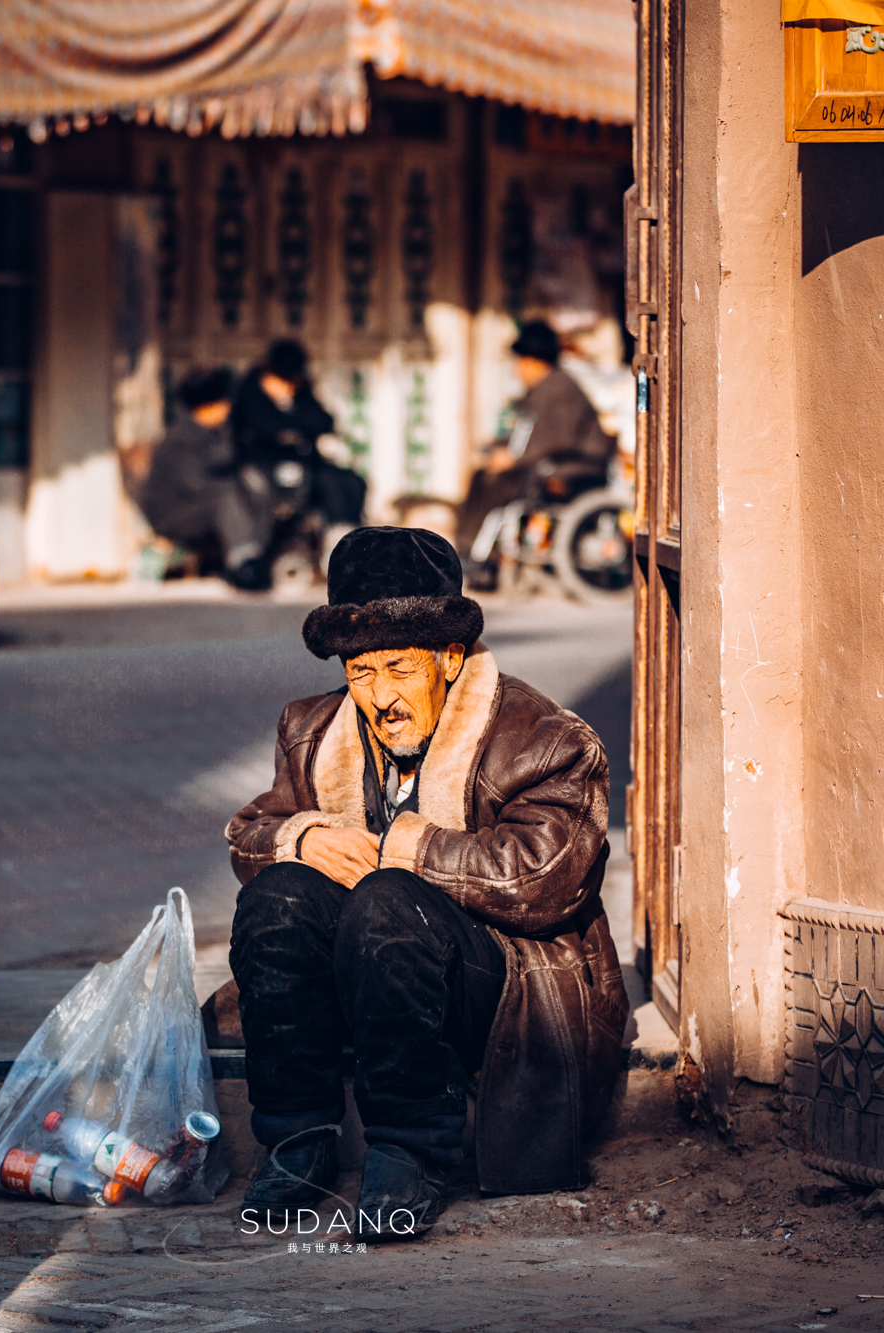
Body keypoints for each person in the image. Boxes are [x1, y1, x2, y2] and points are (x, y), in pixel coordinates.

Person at [224, 527, 629, 1235]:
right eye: (361, 672)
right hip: (374, 980)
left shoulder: (544, 736)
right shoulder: (312, 728)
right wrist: (308, 836)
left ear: (449, 656)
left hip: (501, 983)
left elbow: (546, 873)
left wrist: (407, 852)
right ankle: (297, 1140)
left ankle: (411, 1151)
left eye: (398, 669)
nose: (379, 697)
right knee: (276, 898)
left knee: (387, 901)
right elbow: (252, 831)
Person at [456, 320, 617, 557]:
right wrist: (498, 449)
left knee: (494, 482)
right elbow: (526, 435)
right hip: (550, 465)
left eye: (519, 362)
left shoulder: (560, 388)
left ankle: (478, 555)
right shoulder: (542, 390)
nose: (516, 370)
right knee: (483, 475)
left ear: (533, 361)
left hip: (575, 469)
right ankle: (470, 551)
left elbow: (559, 440)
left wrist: (514, 459)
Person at [139, 369, 273, 591]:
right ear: (206, 406)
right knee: (226, 498)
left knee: (255, 488)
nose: (228, 408)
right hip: (172, 512)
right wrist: (236, 485)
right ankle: (243, 566)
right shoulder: (180, 437)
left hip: (202, 505)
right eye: (223, 402)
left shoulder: (218, 431)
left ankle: (255, 556)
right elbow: (195, 485)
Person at [232, 337, 365, 551]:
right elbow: (263, 428)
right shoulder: (250, 392)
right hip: (261, 466)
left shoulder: (301, 394)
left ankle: (344, 543)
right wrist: (296, 426)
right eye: (281, 379)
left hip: (304, 466)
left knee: (346, 481)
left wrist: (297, 423)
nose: (287, 386)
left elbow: (323, 420)